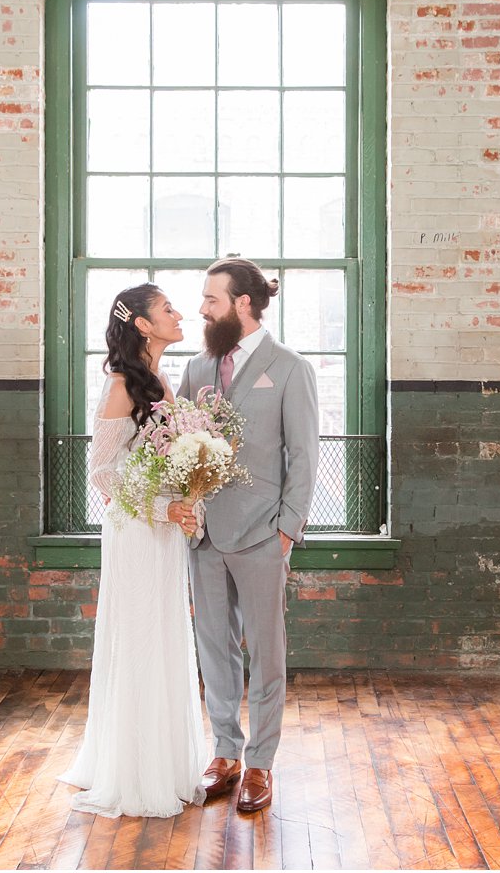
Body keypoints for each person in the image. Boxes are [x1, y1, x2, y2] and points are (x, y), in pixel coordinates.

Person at [57, 283, 209, 818]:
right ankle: (135, 774)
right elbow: (101, 470)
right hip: (139, 530)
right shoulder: (121, 386)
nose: (179, 312)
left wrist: (189, 502)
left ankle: (167, 765)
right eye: (168, 308)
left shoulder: (161, 381)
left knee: (166, 636)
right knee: (142, 635)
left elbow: (176, 460)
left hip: (165, 530)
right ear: (142, 325)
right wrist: (163, 508)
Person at [178, 257, 319, 814]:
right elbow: (179, 448)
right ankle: (225, 752)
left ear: (242, 304)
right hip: (205, 533)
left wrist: (287, 530)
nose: (201, 310)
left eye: (210, 300)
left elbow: (304, 456)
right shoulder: (197, 368)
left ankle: (260, 761)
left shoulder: (290, 369)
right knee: (213, 648)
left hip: (263, 535)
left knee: (266, 652)